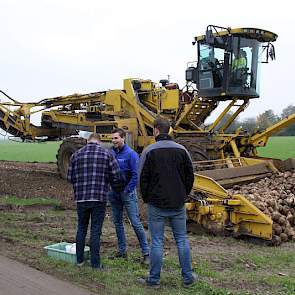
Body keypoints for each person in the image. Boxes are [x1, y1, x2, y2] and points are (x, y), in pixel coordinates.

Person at [138, 116, 198, 288]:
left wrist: (147, 198)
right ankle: (188, 278)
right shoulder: (182, 150)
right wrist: (183, 194)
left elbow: (142, 178)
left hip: (156, 204)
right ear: (169, 130)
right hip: (178, 203)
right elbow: (190, 177)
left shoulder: (149, 151)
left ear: (156, 130)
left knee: (156, 241)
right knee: (181, 239)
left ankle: (154, 280)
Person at [67, 133, 123, 269]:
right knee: (95, 231)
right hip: (99, 198)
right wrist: (107, 182)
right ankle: (95, 264)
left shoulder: (76, 155)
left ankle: (79, 261)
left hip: (81, 198)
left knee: (81, 228)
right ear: (99, 142)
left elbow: (69, 177)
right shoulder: (107, 154)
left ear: (87, 141)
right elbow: (116, 176)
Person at [108, 128, 150, 264]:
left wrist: (127, 190)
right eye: (112, 138)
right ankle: (122, 251)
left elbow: (135, 174)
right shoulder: (110, 153)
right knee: (117, 222)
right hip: (114, 193)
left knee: (135, 222)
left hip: (127, 193)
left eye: (116, 138)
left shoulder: (131, 154)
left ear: (123, 138)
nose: (113, 141)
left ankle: (146, 253)